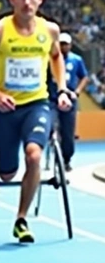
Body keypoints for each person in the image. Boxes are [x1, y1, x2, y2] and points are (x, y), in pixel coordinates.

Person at [0, 0, 73, 244]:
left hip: (37, 104)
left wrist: (62, 88)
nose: (27, 2)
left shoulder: (49, 30)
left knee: (33, 156)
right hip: (7, 107)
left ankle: (21, 218)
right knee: (7, 173)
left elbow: (55, 57)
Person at [46, 32, 88, 171]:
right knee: (48, 125)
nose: (63, 47)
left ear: (70, 45)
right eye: (61, 44)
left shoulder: (76, 60)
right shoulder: (49, 59)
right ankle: (51, 143)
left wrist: (77, 91)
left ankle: (66, 159)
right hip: (51, 99)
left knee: (68, 133)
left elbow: (84, 77)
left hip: (69, 100)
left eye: (66, 44)